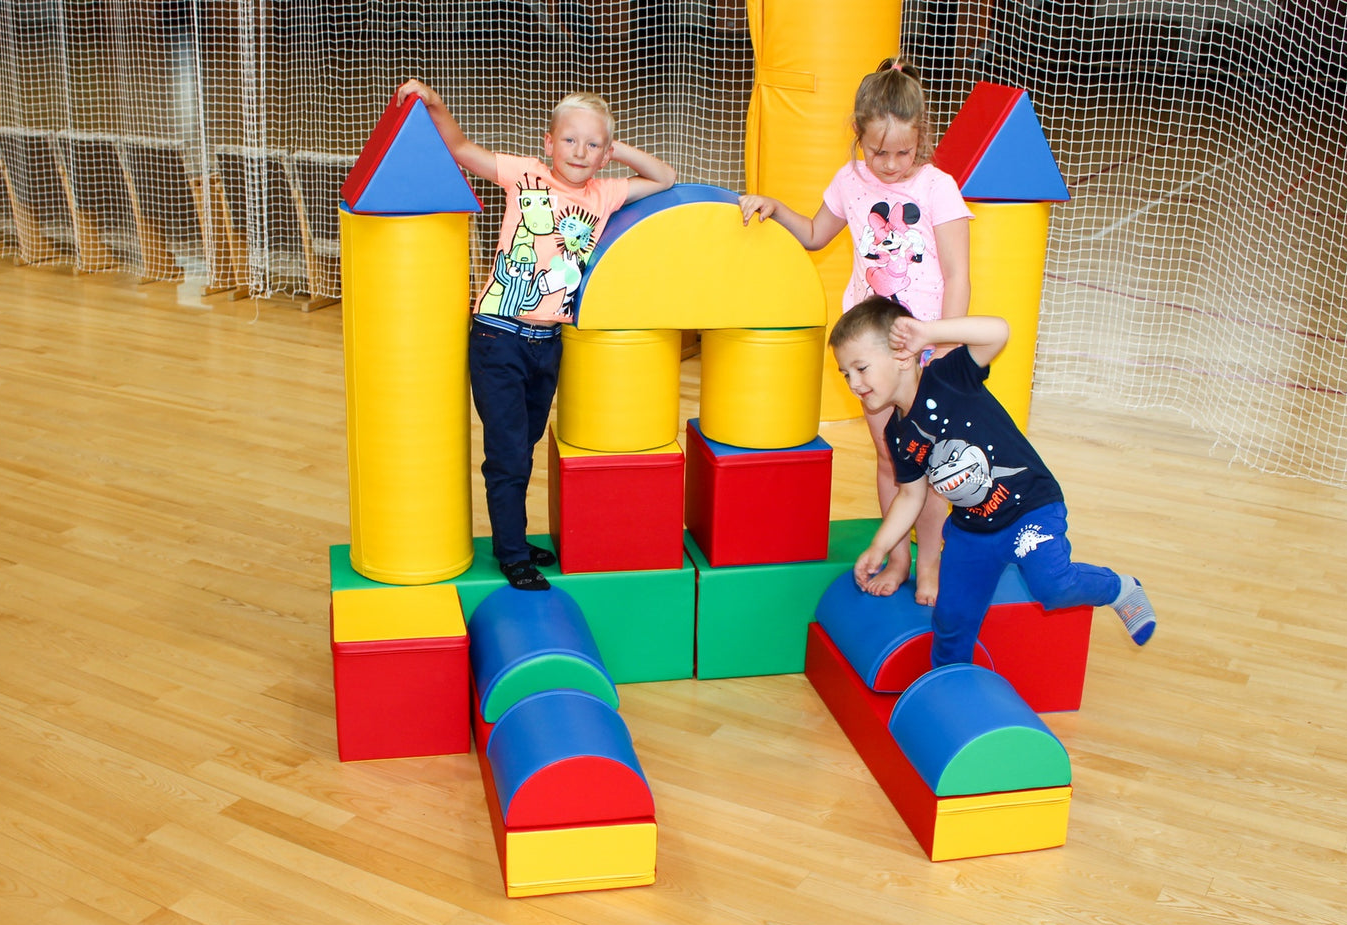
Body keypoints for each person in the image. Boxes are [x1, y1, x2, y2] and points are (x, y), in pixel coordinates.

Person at [396, 79, 677, 590]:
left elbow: (665, 175)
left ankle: (515, 538)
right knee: (506, 453)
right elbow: (460, 149)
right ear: (548, 144)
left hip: (547, 346)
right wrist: (434, 103)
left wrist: (615, 150)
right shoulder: (523, 174)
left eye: (593, 145)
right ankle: (511, 554)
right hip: (498, 338)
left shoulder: (605, 193)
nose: (580, 152)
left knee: (522, 448)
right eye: (570, 140)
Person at [738, 56, 970, 607]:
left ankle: (931, 563)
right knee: (892, 458)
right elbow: (818, 234)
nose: (889, 165)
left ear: (922, 140)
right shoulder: (851, 180)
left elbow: (958, 273)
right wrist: (776, 208)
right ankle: (898, 555)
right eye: (877, 151)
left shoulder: (939, 187)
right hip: (871, 353)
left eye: (903, 153)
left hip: (926, 355)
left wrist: (947, 344)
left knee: (935, 469)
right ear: (858, 140)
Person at [829, 296, 1156, 671]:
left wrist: (929, 333)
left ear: (903, 356)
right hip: (972, 531)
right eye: (845, 374)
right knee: (951, 621)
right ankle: (950, 686)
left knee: (1053, 585)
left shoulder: (948, 378)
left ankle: (1119, 588)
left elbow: (997, 332)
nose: (854, 383)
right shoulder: (899, 434)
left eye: (860, 368)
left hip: (1029, 507)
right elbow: (910, 495)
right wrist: (880, 547)